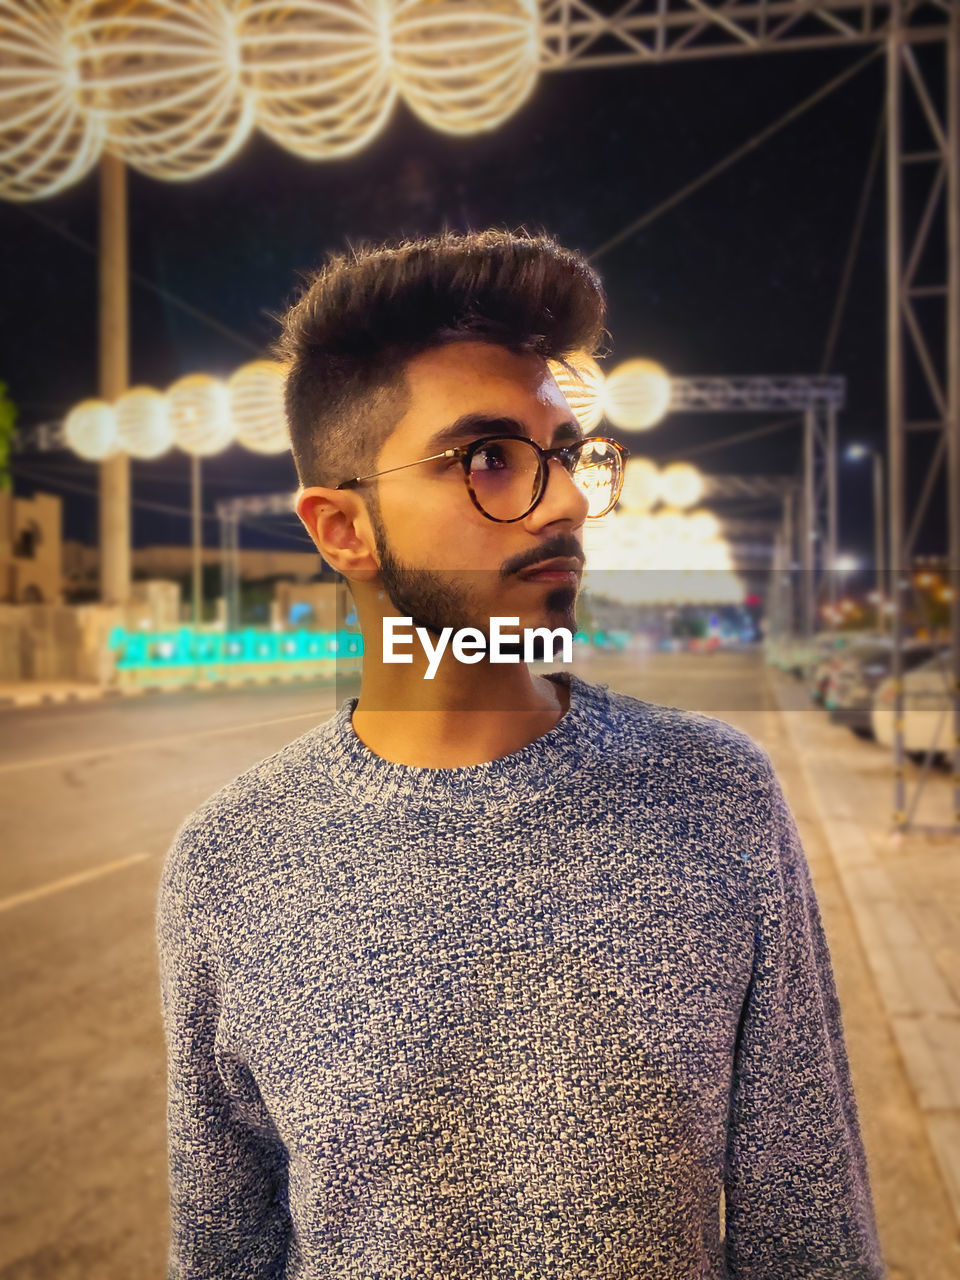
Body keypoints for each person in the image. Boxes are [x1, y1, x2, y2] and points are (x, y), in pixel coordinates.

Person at [156, 227, 886, 1278]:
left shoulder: (718, 797)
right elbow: (226, 1252)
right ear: (343, 529)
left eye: (566, 454)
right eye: (490, 457)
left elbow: (809, 1236)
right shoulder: (229, 861)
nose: (570, 502)